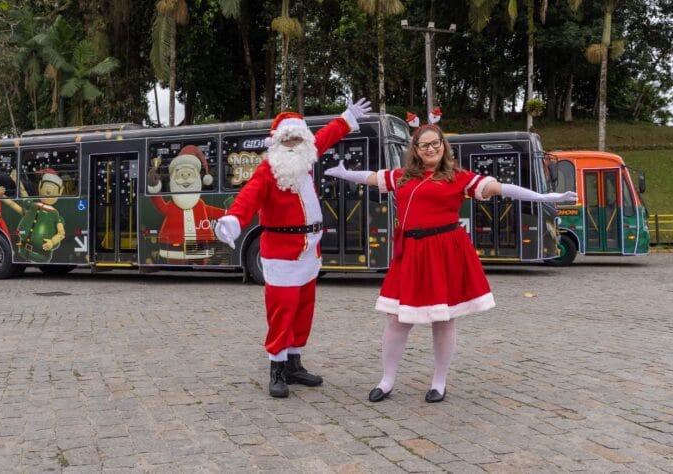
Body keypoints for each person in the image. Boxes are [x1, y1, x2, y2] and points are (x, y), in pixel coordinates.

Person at [324, 122, 576, 403]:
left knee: (442, 320)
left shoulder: (459, 177)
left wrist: (540, 197)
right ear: (416, 150)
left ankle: (439, 382)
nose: (430, 149)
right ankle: (387, 380)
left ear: (443, 146)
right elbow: (371, 177)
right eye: (424, 145)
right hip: (410, 252)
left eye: (436, 143)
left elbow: (500, 188)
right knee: (396, 320)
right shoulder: (403, 176)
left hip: (442, 251)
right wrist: (346, 174)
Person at [215, 98, 372, 398]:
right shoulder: (268, 171)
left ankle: (294, 364)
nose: (292, 143)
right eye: (286, 139)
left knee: (303, 309)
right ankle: (276, 367)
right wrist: (234, 219)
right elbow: (248, 197)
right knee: (281, 312)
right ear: (275, 142)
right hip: (281, 255)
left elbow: (324, 136)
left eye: (298, 138)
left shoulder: (306, 159)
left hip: (309, 252)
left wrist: (347, 117)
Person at [147, 144, 226, 264]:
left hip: (200, 242)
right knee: (174, 261)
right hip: (173, 243)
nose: (185, 177)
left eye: (189, 173)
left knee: (200, 261)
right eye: (180, 174)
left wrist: (229, 213)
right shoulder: (172, 205)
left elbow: (213, 212)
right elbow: (161, 206)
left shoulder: (200, 204)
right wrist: (154, 189)